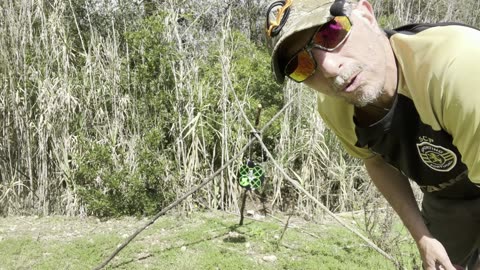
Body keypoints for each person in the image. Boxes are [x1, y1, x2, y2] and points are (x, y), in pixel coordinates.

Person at [264, 0, 480, 269]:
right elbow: (375, 161)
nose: (329, 68)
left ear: (366, 14)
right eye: (301, 65)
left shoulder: (458, 67)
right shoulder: (335, 108)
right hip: (447, 198)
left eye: (331, 33)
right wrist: (423, 238)